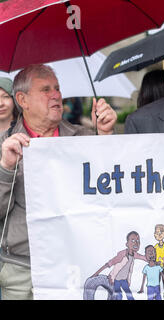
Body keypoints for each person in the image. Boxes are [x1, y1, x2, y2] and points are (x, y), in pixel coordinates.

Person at [0, 64, 117, 300]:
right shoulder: (5, 145)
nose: (56, 95)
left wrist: (105, 138)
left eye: (57, 88)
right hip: (22, 269)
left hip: (75, 263)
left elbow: (112, 196)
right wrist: (6, 169)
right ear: (22, 99)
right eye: (45, 90)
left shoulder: (83, 138)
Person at [91, 231, 146, 300]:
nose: (136, 242)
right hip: (116, 280)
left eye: (138, 241)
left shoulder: (134, 254)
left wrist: (155, 260)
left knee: (129, 295)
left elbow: (144, 258)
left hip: (124, 280)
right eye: (133, 240)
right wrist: (96, 274)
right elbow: (108, 264)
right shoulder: (122, 254)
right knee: (119, 296)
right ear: (127, 244)